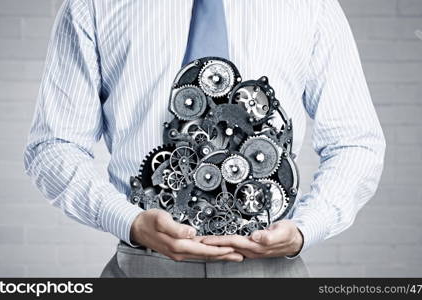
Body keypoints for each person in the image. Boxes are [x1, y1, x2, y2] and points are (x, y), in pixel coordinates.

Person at [24, 0, 386, 278]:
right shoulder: (94, 5)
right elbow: (54, 145)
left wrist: (307, 228)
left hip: (269, 269)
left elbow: (354, 141)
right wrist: (128, 222)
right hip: (145, 269)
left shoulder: (310, 6)